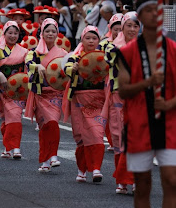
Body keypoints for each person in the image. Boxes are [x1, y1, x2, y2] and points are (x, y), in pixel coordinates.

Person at [117, 0, 176, 208]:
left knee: (171, 180)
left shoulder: (172, 49)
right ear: (139, 17)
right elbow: (124, 91)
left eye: (158, 9)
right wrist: (148, 83)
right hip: (138, 124)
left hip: (169, 124)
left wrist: (170, 103)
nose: (155, 14)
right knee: (142, 184)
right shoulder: (126, 52)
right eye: (150, 10)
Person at [63, 26, 106, 183]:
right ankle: (82, 169)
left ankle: (96, 168)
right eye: (88, 38)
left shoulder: (105, 57)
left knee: (97, 133)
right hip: (79, 101)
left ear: (98, 40)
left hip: (99, 100)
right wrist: (72, 68)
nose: (91, 41)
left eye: (94, 38)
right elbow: (66, 68)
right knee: (81, 135)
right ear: (82, 40)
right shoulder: (75, 56)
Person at [101, 12, 138, 194]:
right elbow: (111, 58)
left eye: (136, 26)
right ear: (122, 27)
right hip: (118, 94)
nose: (132, 29)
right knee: (118, 136)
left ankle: (133, 177)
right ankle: (122, 179)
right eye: (129, 25)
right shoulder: (111, 47)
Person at [25, 18, 66, 172]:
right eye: (47, 31)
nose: (50, 33)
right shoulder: (34, 52)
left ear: (57, 34)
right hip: (40, 95)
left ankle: (53, 155)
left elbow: (68, 70)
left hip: (56, 95)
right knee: (44, 127)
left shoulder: (63, 53)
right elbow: (28, 63)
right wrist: (37, 65)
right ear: (41, 33)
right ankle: (45, 160)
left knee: (53, 123)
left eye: (53, 31)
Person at [0, 20, 28, 159]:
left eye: (15, 33)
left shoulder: (24, 51)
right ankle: (7, 147)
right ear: (4, 34)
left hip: (17, 91)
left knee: (15, 116)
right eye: (10, 33)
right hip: (3, 89)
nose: (12, 35)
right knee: (6, 118)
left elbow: (29, 65)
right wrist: (0, 75)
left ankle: (15, 147)